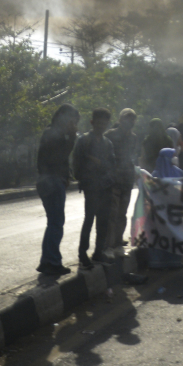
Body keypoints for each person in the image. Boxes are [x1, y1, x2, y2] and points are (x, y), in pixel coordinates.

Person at [36, 103, 80, 277]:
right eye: (73, 121)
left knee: (53, 223)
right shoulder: (54, 133)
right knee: (56, 223)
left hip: (50, 181)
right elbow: (58, 157)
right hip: (51, 181)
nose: (74, 125)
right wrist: (71, 138)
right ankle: (52, 262)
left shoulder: (53, 132)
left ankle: (47, 261)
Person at [72, 108, 116, 269]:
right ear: (92, 122)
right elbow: (77, 163)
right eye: (98, 123)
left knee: (103, 222)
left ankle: (98, 252)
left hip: (105, 186)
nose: (101, 126)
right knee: (89, 220)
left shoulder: (107, 143)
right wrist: (84, 179)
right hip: (91, 187)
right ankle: (83, 254)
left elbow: (112, 164)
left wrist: (101, 166)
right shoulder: (84, 141)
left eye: (104, 123)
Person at [105, 108, 139, 255]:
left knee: (122, 212)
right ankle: (109, 243)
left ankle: (118, 239)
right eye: (127, 118)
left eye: (132, 119)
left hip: (127, 179)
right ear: (120, 120)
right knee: (112, 213)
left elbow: (134, 157)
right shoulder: (110, 135)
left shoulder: (133, 137)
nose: (130, 122)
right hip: (113, 180)